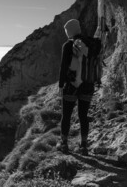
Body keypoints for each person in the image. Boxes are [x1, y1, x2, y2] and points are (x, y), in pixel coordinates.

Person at [56, 19, 94, 155]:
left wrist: (61, 85)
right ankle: (84, 146)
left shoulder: (68, 45)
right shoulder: (91, 43)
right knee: (83, 115)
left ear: (69, 31)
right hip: (88, 84)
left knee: (66, 115)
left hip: (71, 85)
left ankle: (64, 143)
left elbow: (63, 67)